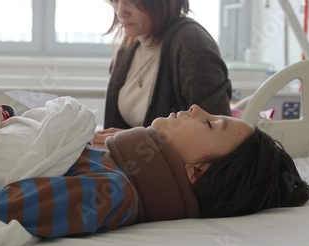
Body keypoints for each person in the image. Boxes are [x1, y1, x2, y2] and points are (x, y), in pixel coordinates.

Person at [0, 100, 309, 239]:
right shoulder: (121, 154)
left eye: (211, 124)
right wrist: (1, 117)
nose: (196, 109)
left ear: (197, 172)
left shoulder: (110, 195)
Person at [94, 0, 232, 148]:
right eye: (115, 1)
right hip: (133, 164)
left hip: (172, 169)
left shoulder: (192, 43)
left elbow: (216, 137)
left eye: (132, 1)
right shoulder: (129, 46)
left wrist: (137, 141)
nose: (120, 12)